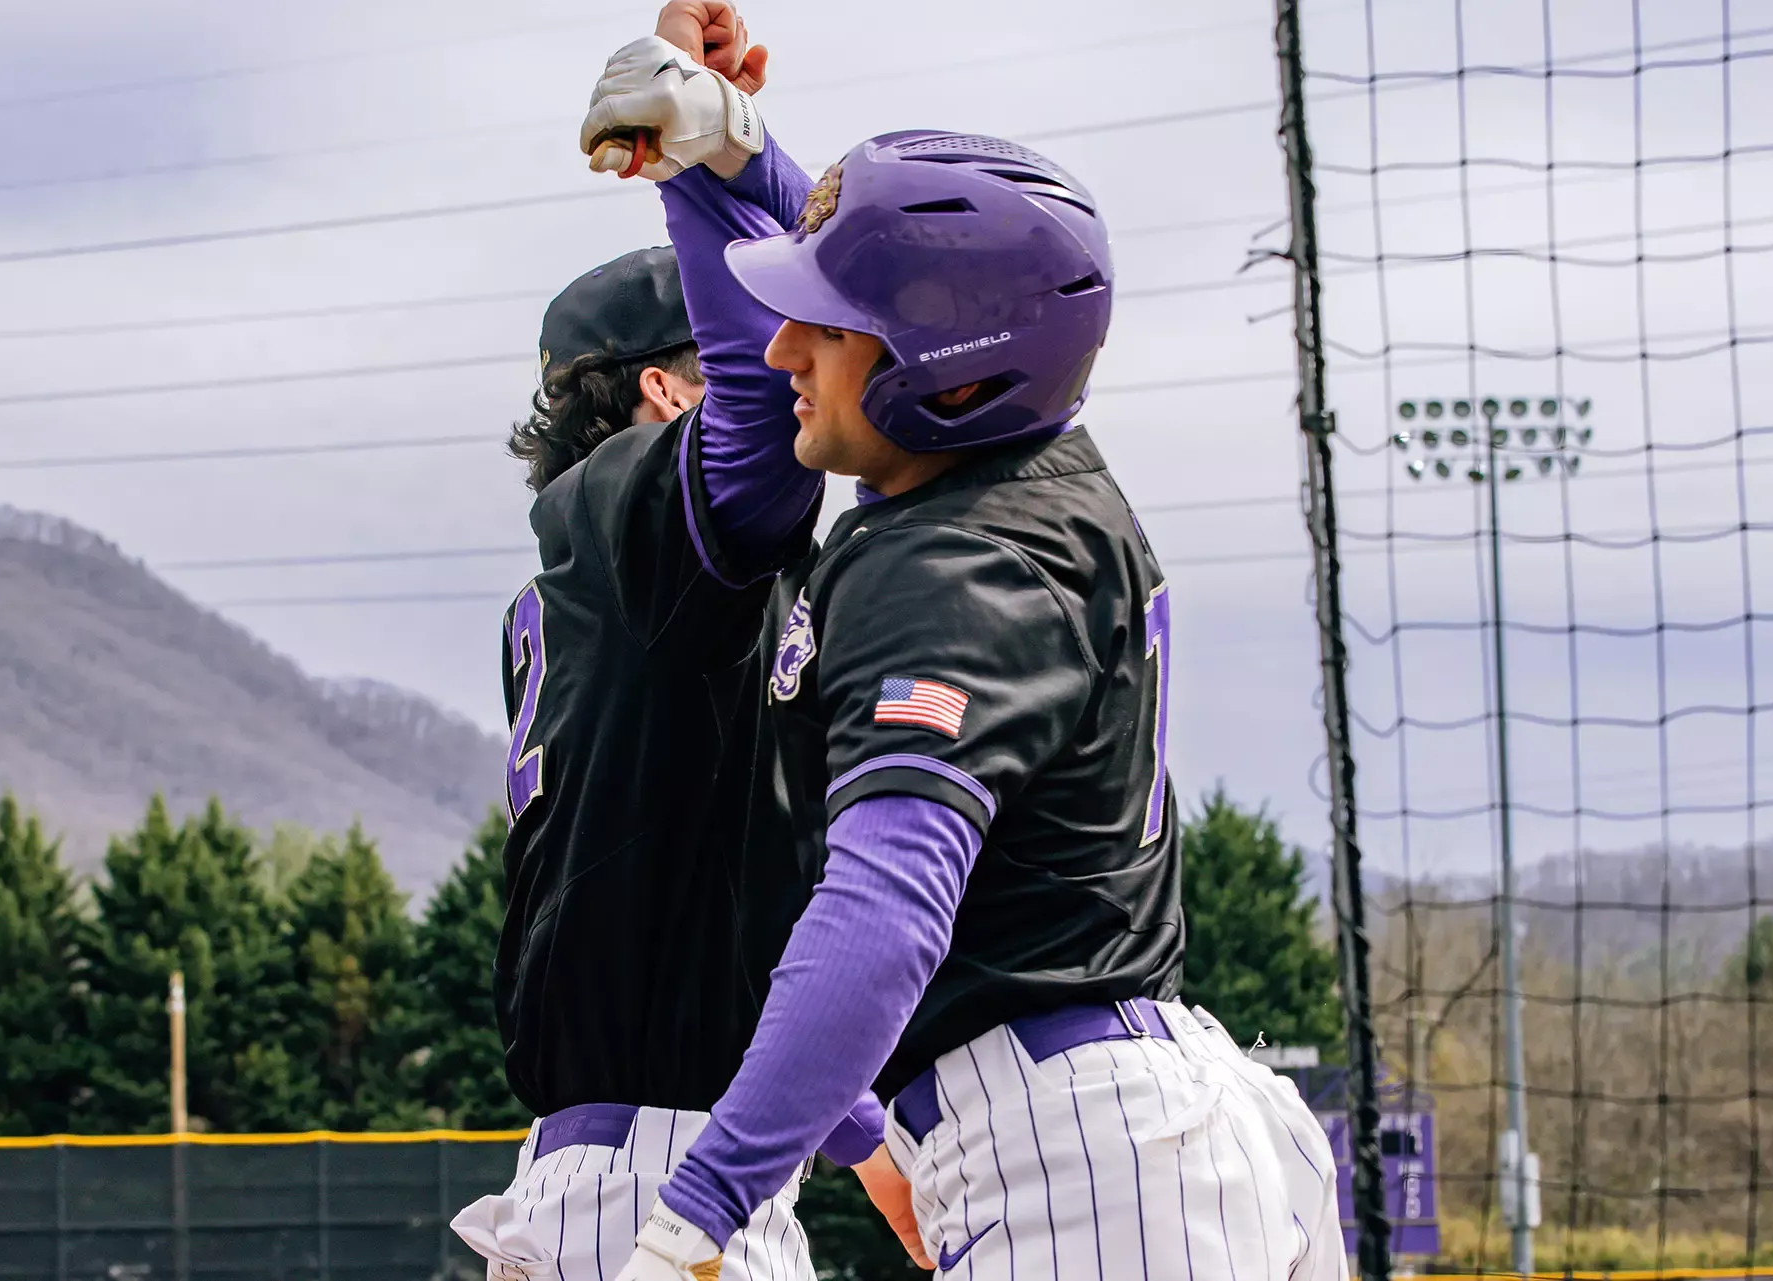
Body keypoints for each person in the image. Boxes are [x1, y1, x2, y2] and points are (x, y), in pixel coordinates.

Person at [581, 29, 1346, 1281]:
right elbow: (898, 269)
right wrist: (727, 146)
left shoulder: (946, 560)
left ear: (940, 369)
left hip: (1086, 1159)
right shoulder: (1014, 485)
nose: (780, 351)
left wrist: (701, 1210)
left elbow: (884, 916)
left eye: (823, 326)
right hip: (1129, 1129)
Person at [450, 12, 924, 1279]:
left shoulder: (613, 576)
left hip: (635, 1169)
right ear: (664, 390)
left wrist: (860, 1128)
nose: (783, 353)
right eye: (734, 342)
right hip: (652, 1185)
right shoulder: (639, 524)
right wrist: (703, 160)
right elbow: (763, 428)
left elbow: (719, 887)